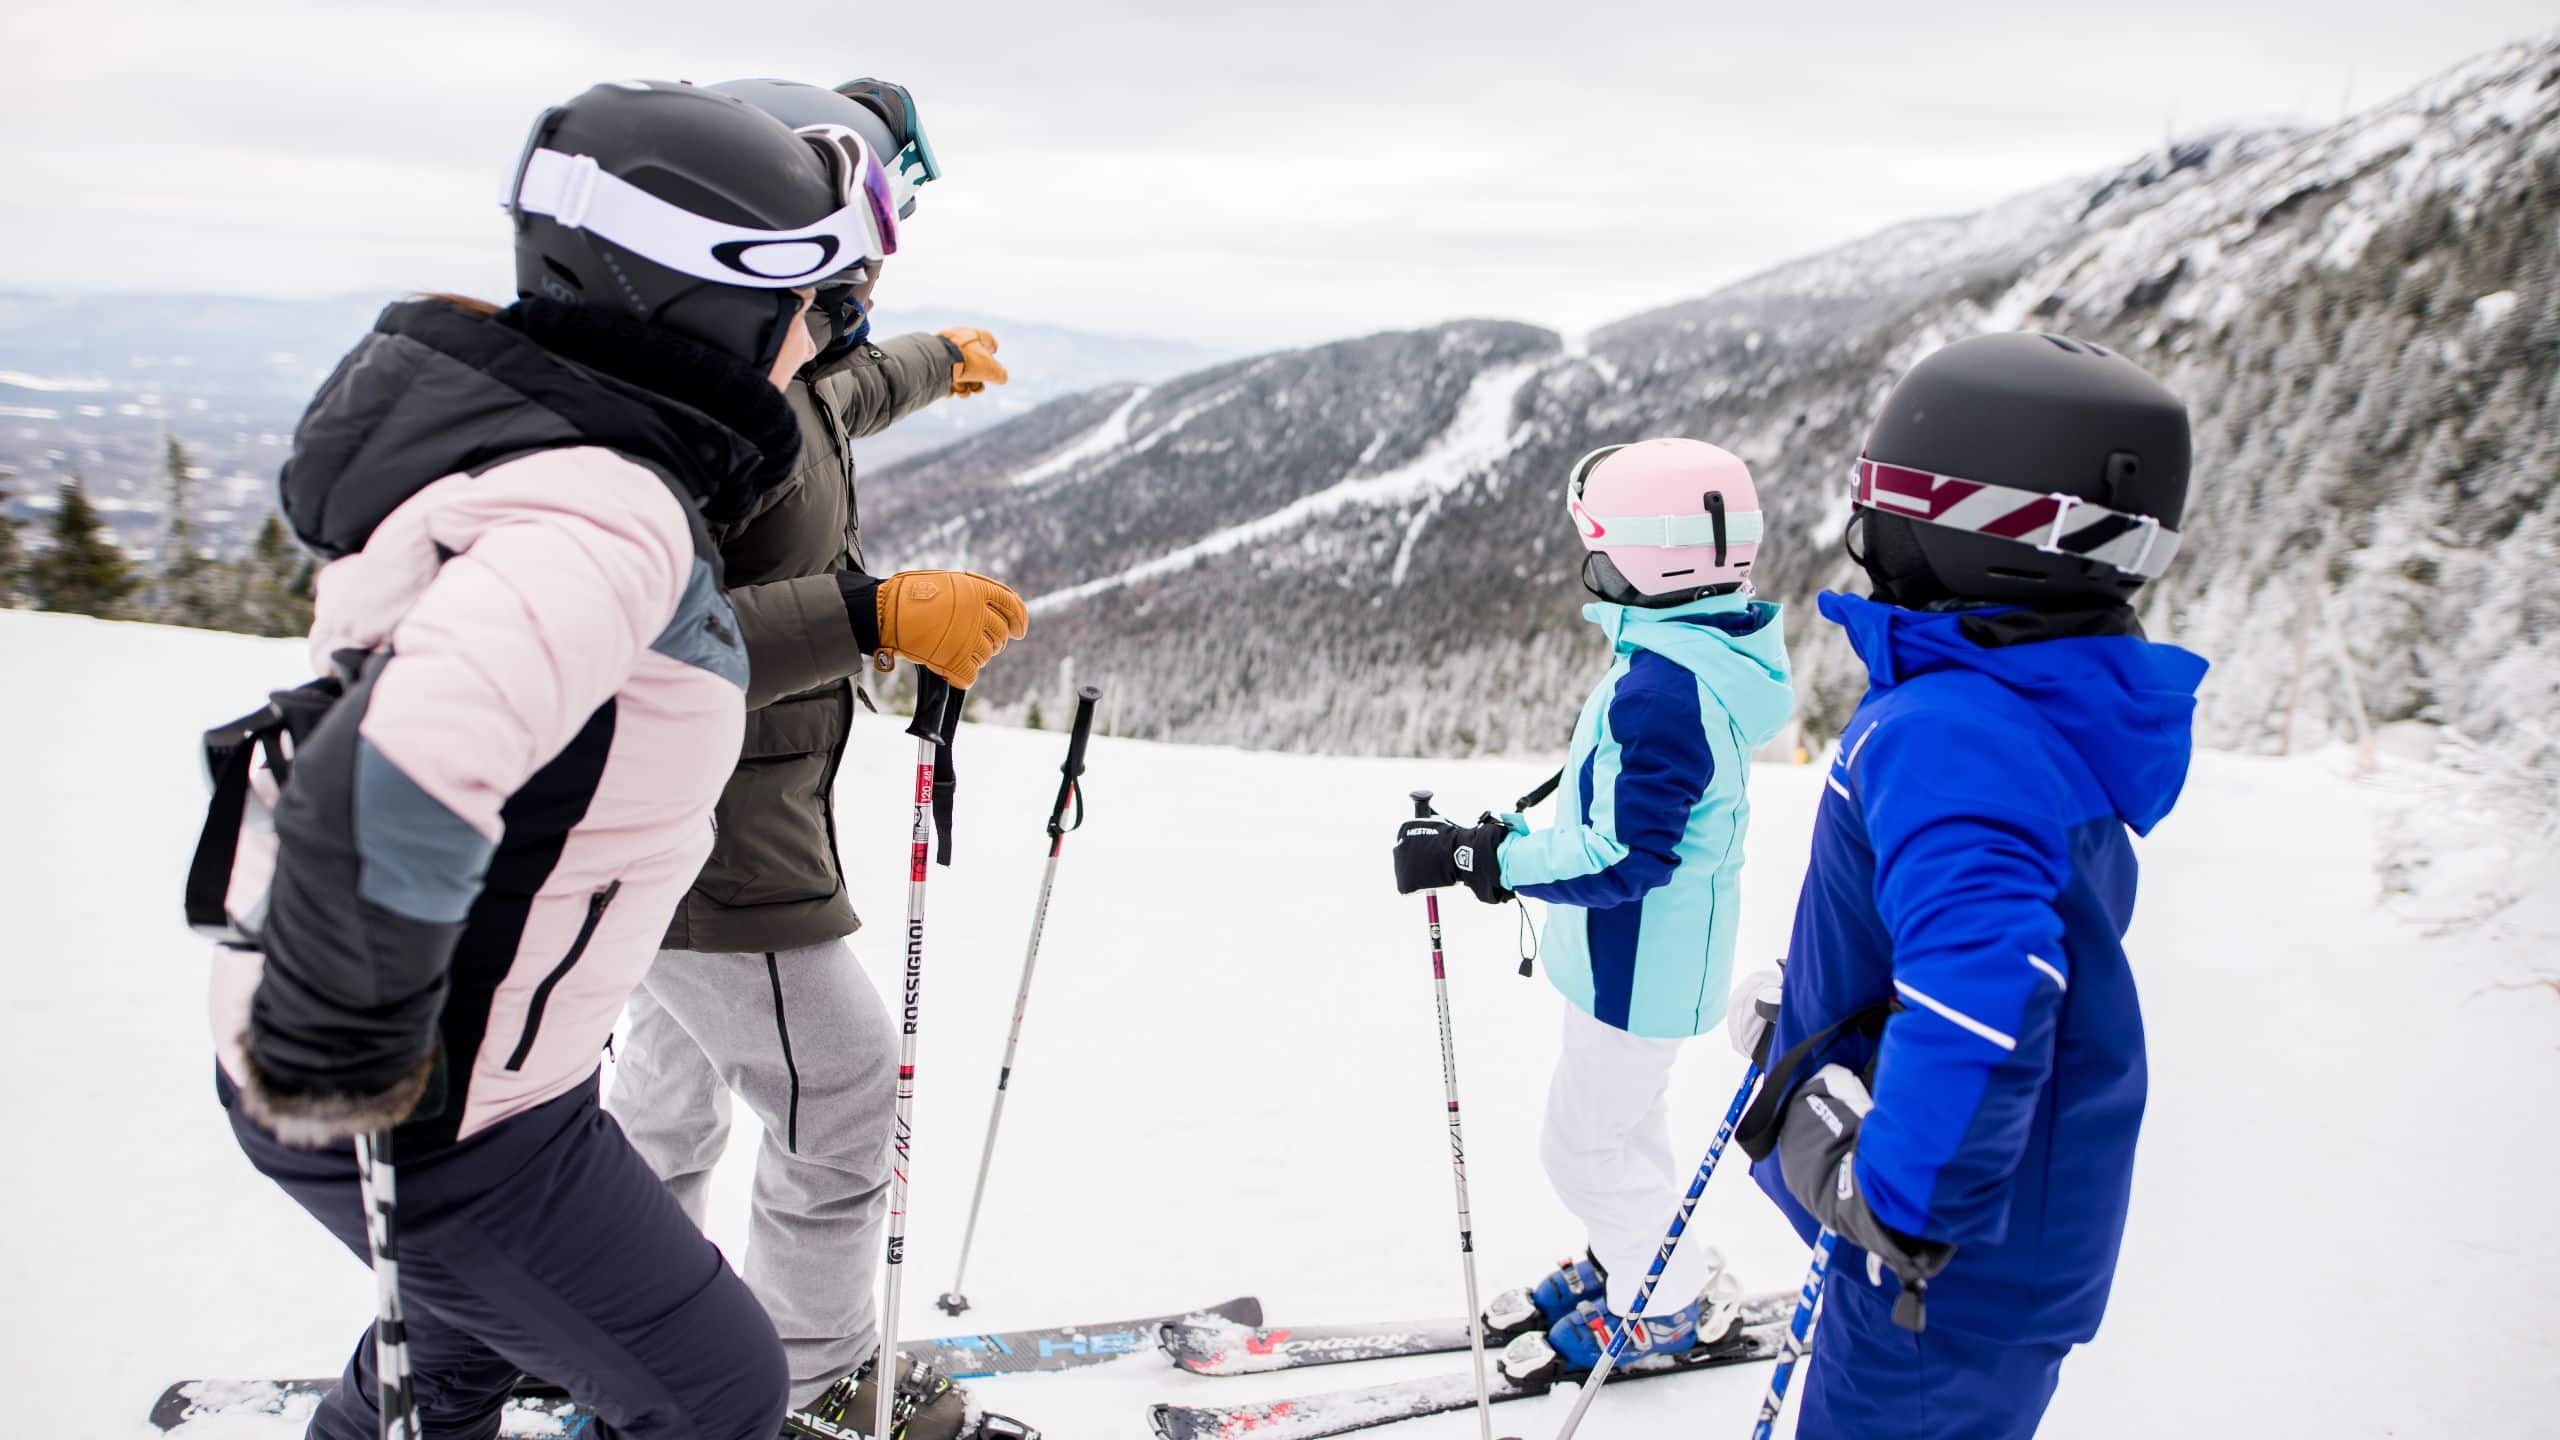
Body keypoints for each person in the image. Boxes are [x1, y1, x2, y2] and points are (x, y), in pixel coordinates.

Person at [203, 79, 904, 1440]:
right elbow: (416, 745)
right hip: (444, 1108)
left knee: (461, 1350)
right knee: (718, 1386)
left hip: (497, 1074)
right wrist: (348, 1034)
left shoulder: (575, 452)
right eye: (800, 301)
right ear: (707, 303)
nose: (818, 333)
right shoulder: (608, 507)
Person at [600, 75, 1027, 1439]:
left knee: (666, 1102)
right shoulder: (714, 411)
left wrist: (941, 361)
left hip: (679, 838)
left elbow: (844, 392)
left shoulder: (769, 364)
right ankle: (819, 1378)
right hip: (726, 842)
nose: (884, 242)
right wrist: (872, 613)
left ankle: (616, 1329)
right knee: (843, 1090)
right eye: (874, 211)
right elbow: (656, 635)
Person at [1733, 332, 2207, 1438]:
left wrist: (1889, 1196)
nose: (1866, 532)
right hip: (1994, 1253)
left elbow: (1984, 986)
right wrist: (1813, 1011)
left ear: (1968, 531)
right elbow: (1976, 937)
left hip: (1935, 1283)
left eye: (1889, 501)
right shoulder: (2039, 703)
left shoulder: (1947, 729)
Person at [1391, 438, 1795, 1373]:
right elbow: (1603, 798)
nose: (1594, 573)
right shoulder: (1691, 652)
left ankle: (1665, 1303)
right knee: (1623, 1129)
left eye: (1599, 554)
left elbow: (1623, 856)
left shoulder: (1663, 687)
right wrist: (1495, 834)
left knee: (1579, 1150)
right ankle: (1638, 1258)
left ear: (1645, 561)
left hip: (1637, 959)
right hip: (1638, 953)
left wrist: (1480, 860)